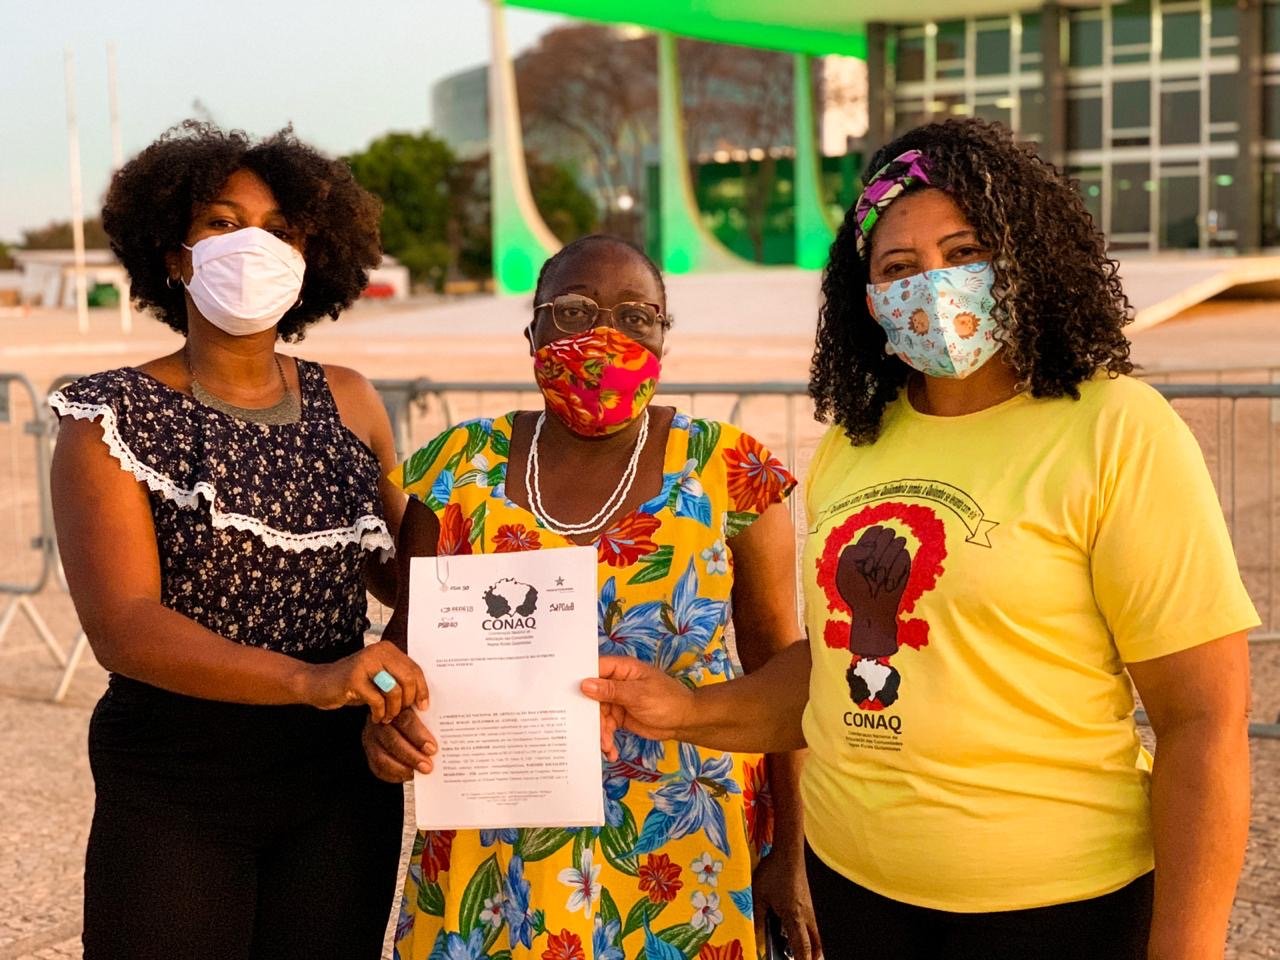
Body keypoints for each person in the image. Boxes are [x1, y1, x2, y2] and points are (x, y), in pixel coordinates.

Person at [583, 119, 1258, 960]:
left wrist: (1188, 949)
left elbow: (1203, 721)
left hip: (1058, 912)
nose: (932, 286)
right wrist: (686, 710)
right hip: (856, 897)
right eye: (898, 268)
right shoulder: (854, 445)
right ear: (868, 301)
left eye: (963, 252)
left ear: (1019, 261)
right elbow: (833, 670)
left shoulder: (1116, 429)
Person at [363, 235, 820, 960]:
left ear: (665, 337)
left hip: (683, 845)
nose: (606, 335)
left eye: (638, 316)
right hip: (497, 849)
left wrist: (790, 858)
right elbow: (401, 649)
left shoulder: (730, 470)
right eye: (574, 310)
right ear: (533, 330)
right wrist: (384, 718)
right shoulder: (458, 467)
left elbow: (785, 675)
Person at [48, 122, 425, 960]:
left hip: (340, 782)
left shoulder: (353, 400)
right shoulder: (107, 415)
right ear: (173, 253)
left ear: (310, 260)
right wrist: (311, 678)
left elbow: (409, 578)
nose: (252, 245)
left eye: (280, 230)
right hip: (176, 780)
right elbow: (125, 626)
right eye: (222, 222)